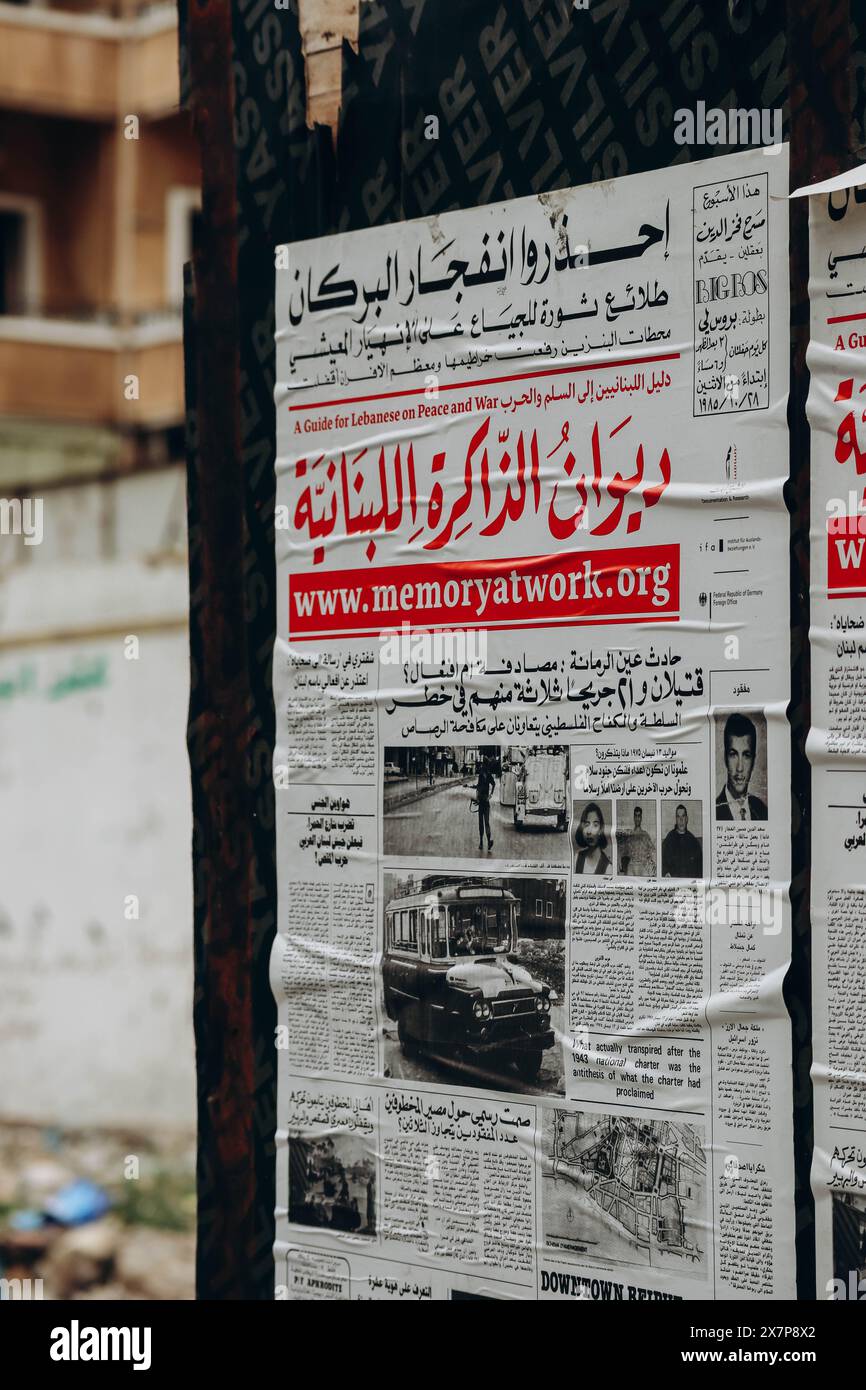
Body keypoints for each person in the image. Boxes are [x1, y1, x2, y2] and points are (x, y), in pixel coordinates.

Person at [716, 712, 768, 820]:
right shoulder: (714, 811)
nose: (739, 768)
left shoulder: (762, 811)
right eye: (733, 755)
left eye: (746, 755)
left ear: (753, 761)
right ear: (725, 758)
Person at [661, 804, 703, 878]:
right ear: (676, 820)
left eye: (683, 816)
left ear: (687, 819)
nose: (681, 820)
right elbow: (662, 860)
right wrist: (666, 872)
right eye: (678, 817)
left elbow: (700, 867)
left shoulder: (693, 841)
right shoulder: (669, 838)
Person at [574, 802, 612, 876]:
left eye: (595, 825)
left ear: (601, 829)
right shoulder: (576, 859)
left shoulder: (608, 868)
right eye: (587, 825)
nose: (589, 831)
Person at [619, 804, 656, 877]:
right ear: (634, 818)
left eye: (639, 816)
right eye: (636, 816)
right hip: (632, 864)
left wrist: (652, 862)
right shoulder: (629, 834)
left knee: (646, 879)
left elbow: (652, 851)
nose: (637, 818)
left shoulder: (645, 835)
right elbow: (623, 850)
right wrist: (619, 858)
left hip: (642, 864)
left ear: (641, 818)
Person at [475, 754, 495, 854]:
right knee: (486, 823)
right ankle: (485, 842)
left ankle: (482, 843)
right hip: (485, 802)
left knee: (482, 823)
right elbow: (493, 784)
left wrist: (477, 797)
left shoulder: (483, 773)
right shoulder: (487, 773)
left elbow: (478, 787)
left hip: (482, 802)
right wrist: (490, 794)